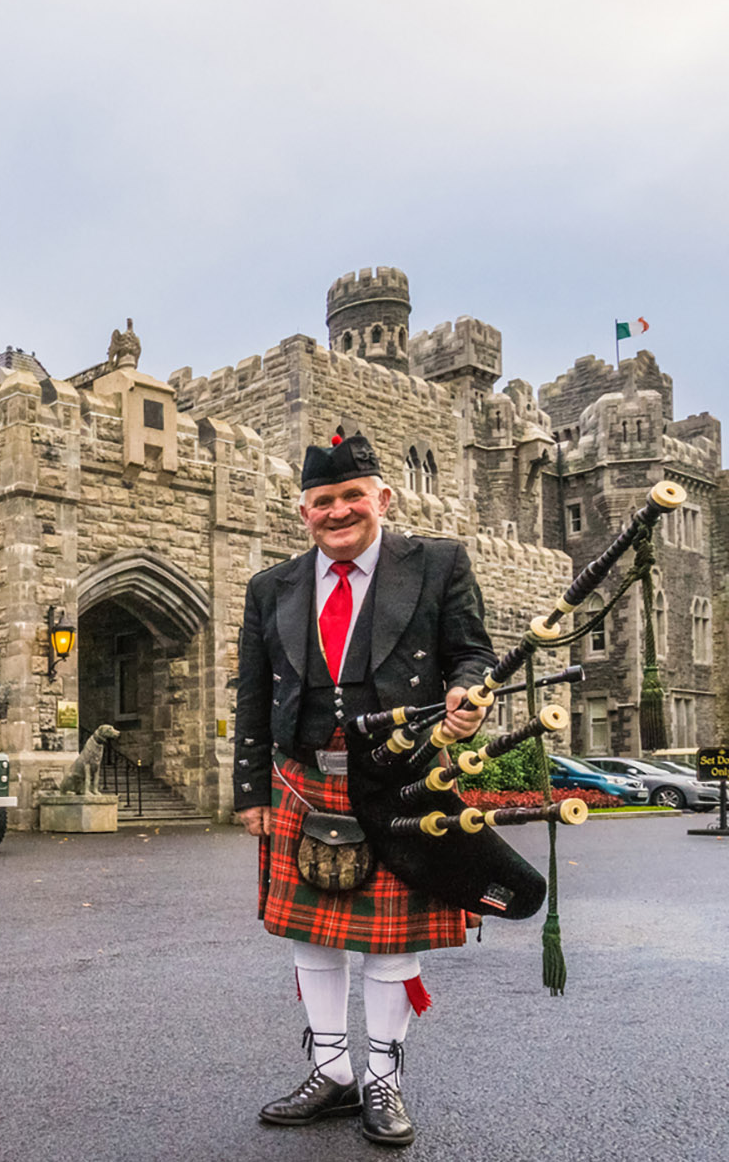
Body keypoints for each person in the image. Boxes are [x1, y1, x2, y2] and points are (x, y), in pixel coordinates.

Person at [233, 434, 493, 1149]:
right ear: (303, 512)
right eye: (323, 501)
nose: (338, 510)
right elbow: (251, 695)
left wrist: (469, 692)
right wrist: (251, 791)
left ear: (384, 498)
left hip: (402, 778)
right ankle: (331, 1072)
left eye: (353, 496)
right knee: (312, 935)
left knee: (389, 943)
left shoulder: (437, 563)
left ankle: (382, 1078)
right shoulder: (271, 586)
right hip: (303, 779)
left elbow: (471, 652)